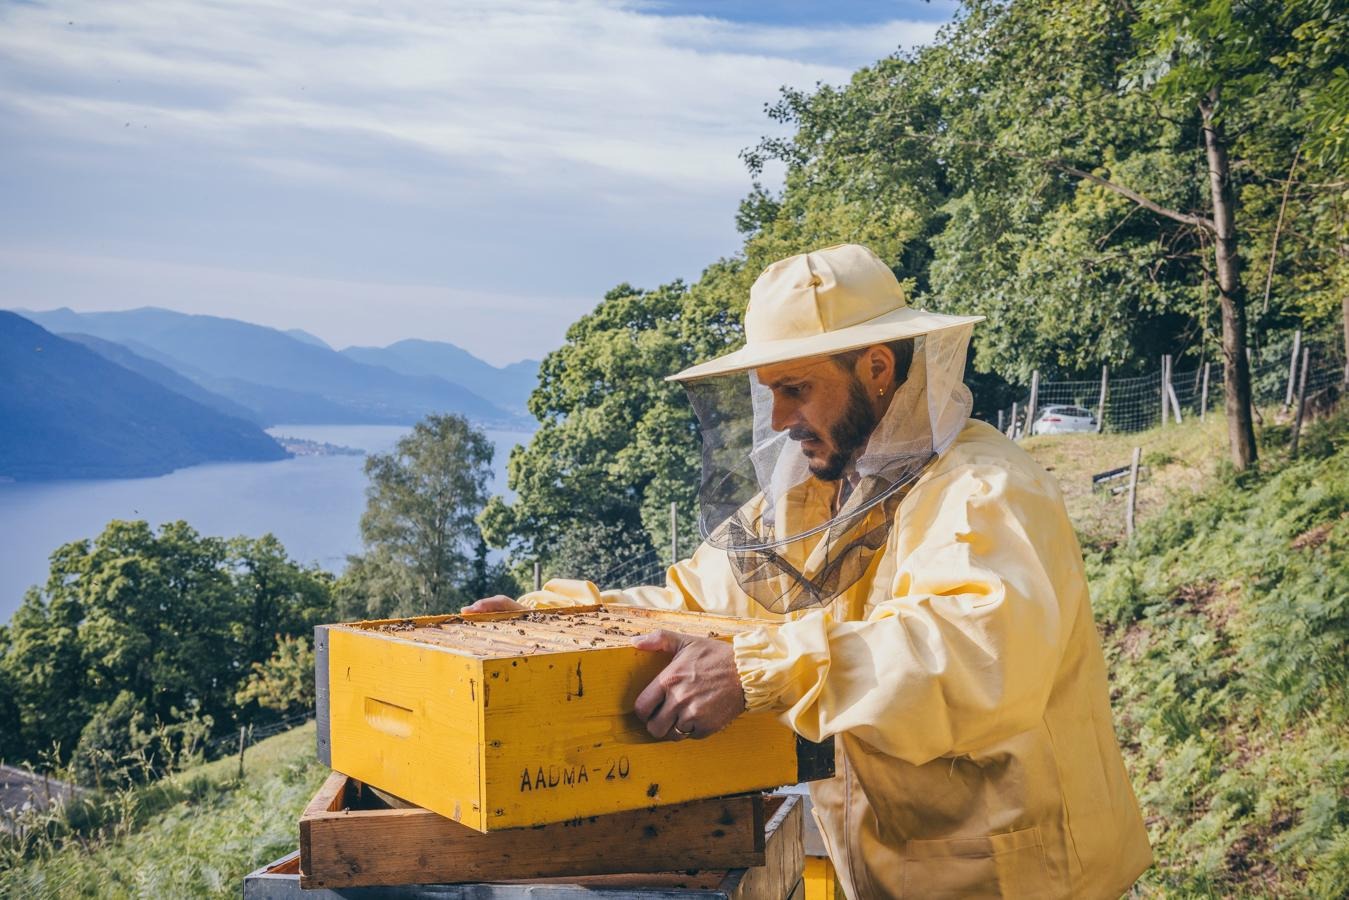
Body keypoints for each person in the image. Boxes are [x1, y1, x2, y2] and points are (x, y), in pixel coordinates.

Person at [467, 244, 1152, 898]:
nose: (779, 419)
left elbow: (971, 656)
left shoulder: (981, 490)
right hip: (886, 871)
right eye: (768, 391)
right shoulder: (813, 495)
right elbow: (697, 599)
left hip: (1015, 880)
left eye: (795, 388)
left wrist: (756, 669)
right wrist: (552, 620)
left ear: (877, 369)